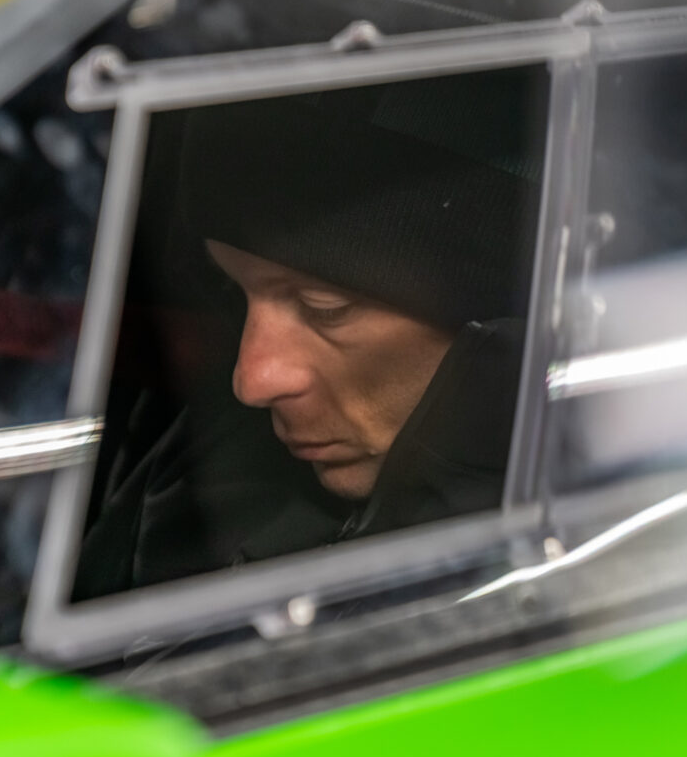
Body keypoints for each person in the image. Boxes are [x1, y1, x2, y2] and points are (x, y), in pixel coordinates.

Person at [73, 72, 542, 598]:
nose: (251, 381)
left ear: (500, 307)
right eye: (234, 292)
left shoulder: (554, 574)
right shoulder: (192, 476)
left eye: (326, 309)